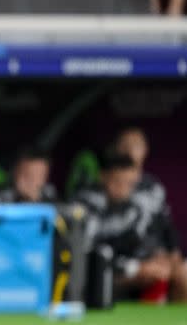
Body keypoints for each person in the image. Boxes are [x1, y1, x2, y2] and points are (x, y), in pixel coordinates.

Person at [75, 152, 187, 303]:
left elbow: (149, 239)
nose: (123, 189)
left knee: (183, 273)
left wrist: (162, 256)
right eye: (117, 181)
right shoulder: (86, 205)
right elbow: (91, 254)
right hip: (107, 277)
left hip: (142, 269)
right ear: (103, 177)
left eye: (128, 184)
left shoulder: (136, 207)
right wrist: (136, 267)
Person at [114, 126, 185, 290]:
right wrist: (145, 261)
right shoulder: (110, 186)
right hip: (130, 262)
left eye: (136, 145)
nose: (130, 150)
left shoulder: (153, 187)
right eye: (125, 145)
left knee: (183, 274)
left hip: (157, 256)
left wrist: (173, 253)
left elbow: (166, 224)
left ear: (145, 150)